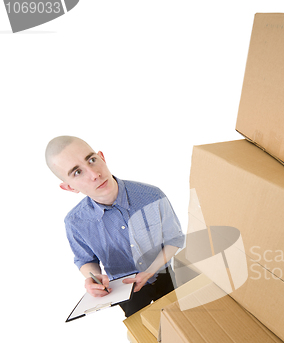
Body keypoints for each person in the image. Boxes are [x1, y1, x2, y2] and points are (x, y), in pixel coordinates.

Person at [45, 135, 185, 317]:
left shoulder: (152, 195)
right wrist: (92, 278)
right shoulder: (75, 222)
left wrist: (150, 271)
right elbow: (85, 259)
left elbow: (174, 239)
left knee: (181, 322)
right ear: (69, 187)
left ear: (102, 157)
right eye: (77, 172)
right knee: (143, 335)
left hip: (163, 273)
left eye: (92, 160)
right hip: (124, 289)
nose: (95, 175)